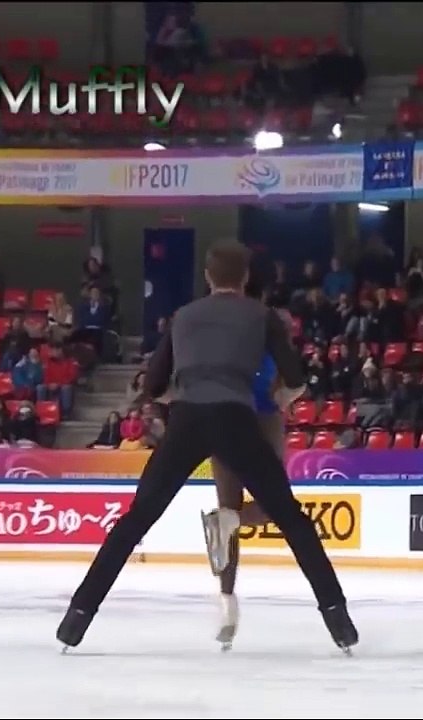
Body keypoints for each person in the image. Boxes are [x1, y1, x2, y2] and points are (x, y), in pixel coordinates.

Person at [56, 242, 357, 653]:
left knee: (136, 520)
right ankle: (339, 622)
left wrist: (180, 396)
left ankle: (77, 618)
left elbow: (153, 387)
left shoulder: (183, 316)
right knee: (292, 520)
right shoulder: (261, 315)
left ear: (208, 278)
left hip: (188, 420)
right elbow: (294, 376)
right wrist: (281, 398)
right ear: (245, 278)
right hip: (237, 419)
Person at [201, 310, 299, 647]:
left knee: (228, 508)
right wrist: (288, 397)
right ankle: (229, 522)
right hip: (262, 417)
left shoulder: (221, 330)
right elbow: (292, 381)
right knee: (272, 503)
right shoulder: (274, 326)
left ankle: (227, 603)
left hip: (222, 416)